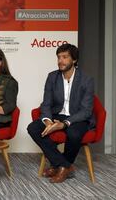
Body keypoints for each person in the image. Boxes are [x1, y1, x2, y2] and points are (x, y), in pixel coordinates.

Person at [27, 43, 95, 183]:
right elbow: (46, 103)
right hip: (57, 114)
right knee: (33, 127)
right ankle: (64, 165)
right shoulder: (52, 77)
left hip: (77, 117)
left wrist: (63, 124)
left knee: (73, 133)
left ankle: (60, 166)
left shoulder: (86, 80)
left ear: (74, 60)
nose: (60, 61)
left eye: (65, 57)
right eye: (59, 57)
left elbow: (86, 110)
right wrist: (48, 121)